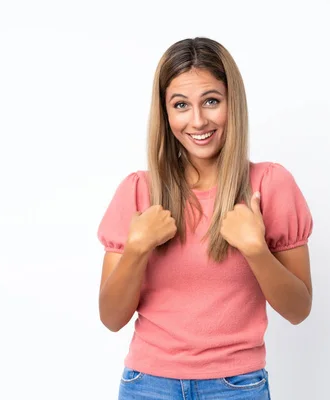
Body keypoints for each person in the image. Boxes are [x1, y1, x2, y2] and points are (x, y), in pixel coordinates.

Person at [97, 37, 313, 400]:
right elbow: (111, 318)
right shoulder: (138, 192)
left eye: (211, 101)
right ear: (166, 113)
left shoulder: (269, 185)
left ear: (233, 103)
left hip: (236, 387)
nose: (197, 120)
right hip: (146, 385)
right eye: (181, 105)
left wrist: (256, 250)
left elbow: (298, 310)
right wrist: (136, 249)